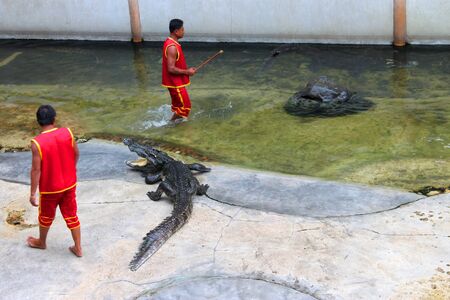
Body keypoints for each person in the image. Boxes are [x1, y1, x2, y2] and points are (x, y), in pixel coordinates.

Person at [27, 105, 82, 257]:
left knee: (45, 215)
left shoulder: (37, 143)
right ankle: (78, 248)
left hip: (50, 188)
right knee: (72, 214)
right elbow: (76, 153)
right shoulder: (67, 132)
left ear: (38, 121)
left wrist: (33, 194)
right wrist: (72, 169)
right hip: (69, 183)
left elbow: (36, 170)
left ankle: (41, 242)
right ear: (54, 118)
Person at [162, 18, 196, 121]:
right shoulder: (172, 47)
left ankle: (172, 128)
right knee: (186, 107)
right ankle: (170, 125)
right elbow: (171, 69)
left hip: (173, 83)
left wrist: (187, 70)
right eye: (182, 29)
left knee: (178, 107)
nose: (184, 31)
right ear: (176, 31)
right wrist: (187, 72)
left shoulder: (170, 42)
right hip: (174, 83)